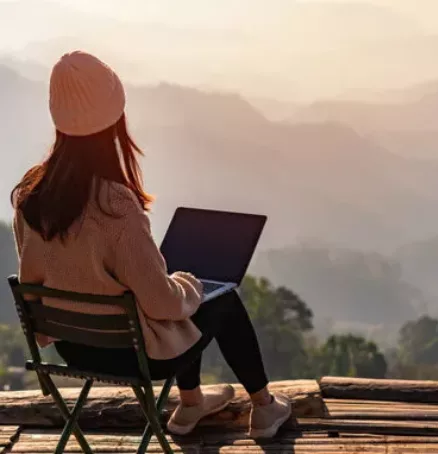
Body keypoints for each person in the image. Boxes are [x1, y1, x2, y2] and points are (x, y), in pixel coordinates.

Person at [11, 51, 291, 439]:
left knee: (181, 293)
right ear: (114, 120)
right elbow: (161, 304)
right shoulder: (115, 206)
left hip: (72, 348)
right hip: (133, 355)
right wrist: (188, 285)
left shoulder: (31, 197)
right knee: (220, 298)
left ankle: (191, 404)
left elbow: (34, 281)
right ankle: (264, 408)